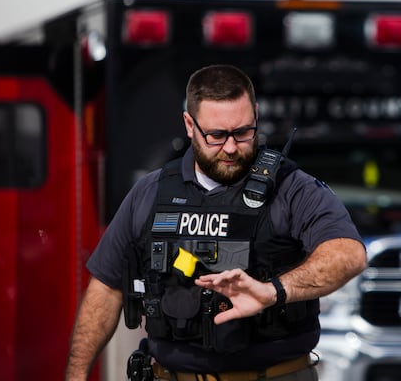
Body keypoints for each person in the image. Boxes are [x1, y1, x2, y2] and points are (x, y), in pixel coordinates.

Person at [65, 64, 367, 381]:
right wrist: (76, 375)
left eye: (243, 132)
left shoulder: (292, 188)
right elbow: (107, 287)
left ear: (256, 116)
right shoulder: (151, 191)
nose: (232, 147)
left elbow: (349, 254)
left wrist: (273, 290)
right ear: (189, 125)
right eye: (217, 135)